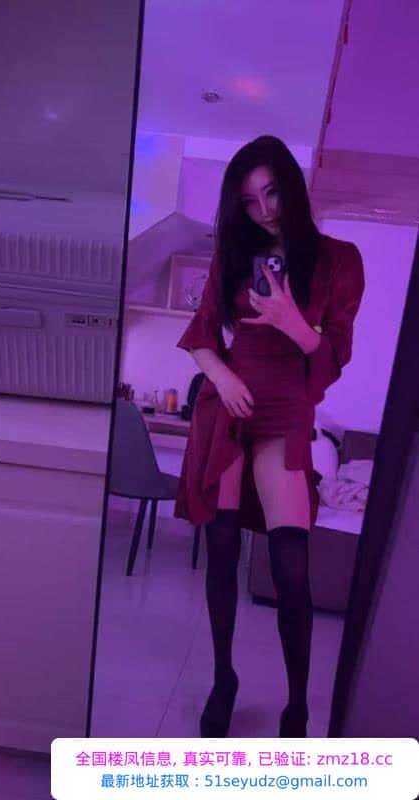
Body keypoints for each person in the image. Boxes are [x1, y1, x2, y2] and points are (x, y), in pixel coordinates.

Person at [174, 135, 365, 738]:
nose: (264, 211)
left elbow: (334, 356)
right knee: (222, 548)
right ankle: (223, 679)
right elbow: (202, 335)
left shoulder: (338, 259)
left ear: (293, 188)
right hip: (229, 404)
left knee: (291, 566)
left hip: (286, 409)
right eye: (249, 201)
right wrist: (223, 376)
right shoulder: (233, 255)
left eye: (272, 193)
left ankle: (297, 704)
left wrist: (292, 321)